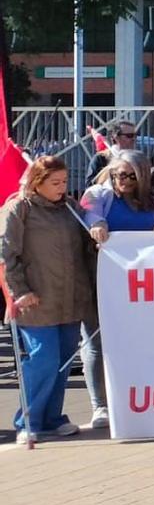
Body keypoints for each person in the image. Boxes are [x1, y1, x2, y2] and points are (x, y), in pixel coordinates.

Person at [1, 156, 96, 442]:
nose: (62, 188)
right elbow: (6, 254)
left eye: (65, 181)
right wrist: (19, 291)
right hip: (35, 301)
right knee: (44, 359)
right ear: (37, 182)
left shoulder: (69, 207)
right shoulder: (20, 208)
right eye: (55, 183)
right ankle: (28, 421)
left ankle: (53, 418)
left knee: (63, 361)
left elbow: (87, 242)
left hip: (70, 298)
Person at [78, 149, 154, 427]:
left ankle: (136, 396)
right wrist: (98, 226)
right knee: (95, 341)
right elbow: (91, 217)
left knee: (139, 341)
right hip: (100, 279)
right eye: (117, 174)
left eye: (129, 175)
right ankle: (99, 405)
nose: (122, 181)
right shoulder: (97, 195)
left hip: (142, 286)